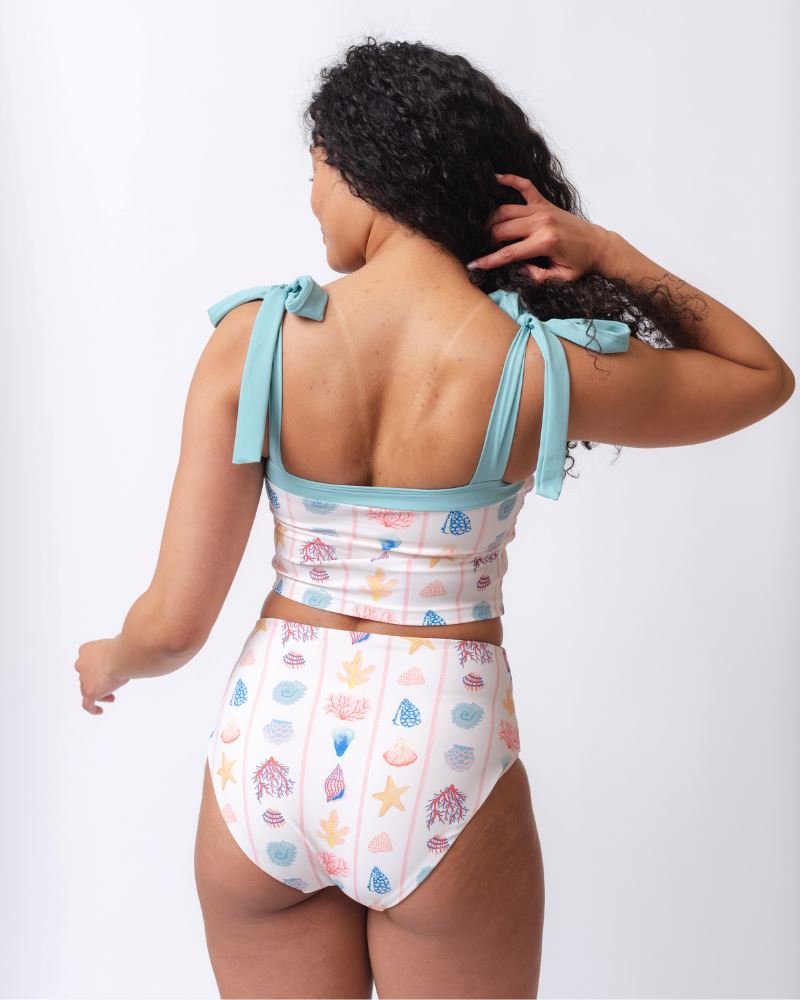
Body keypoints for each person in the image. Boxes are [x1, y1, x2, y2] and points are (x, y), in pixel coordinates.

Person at [73, 36, 794, 1000]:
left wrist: (111, 658)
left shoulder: (255, 342)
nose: (312, 199)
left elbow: (172, 627)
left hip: (271, 749)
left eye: (317, 172)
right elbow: (760, 377)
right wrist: (609, 252)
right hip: (438, 753)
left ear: (362, 166)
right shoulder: (534, 366)